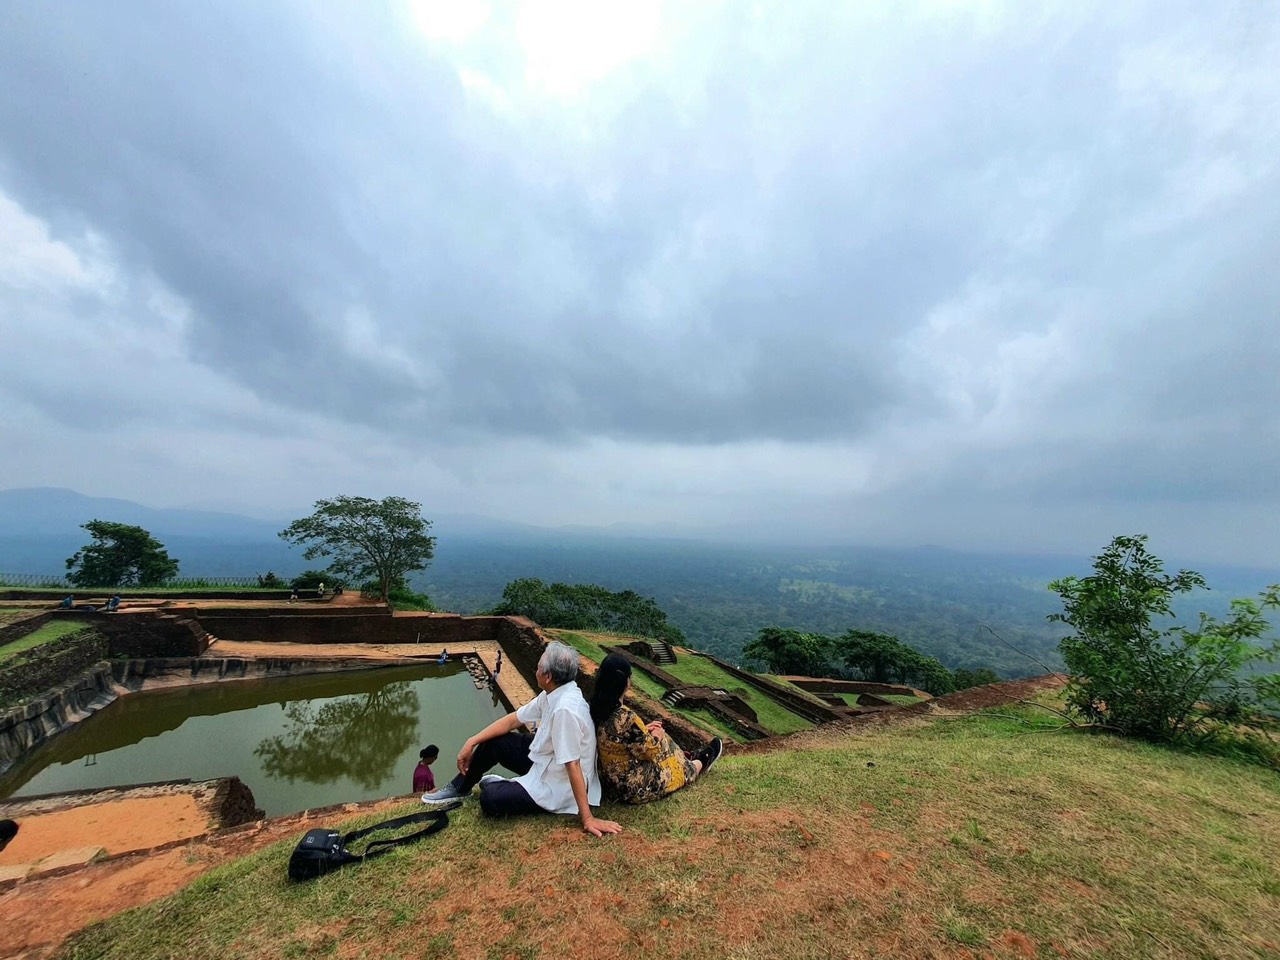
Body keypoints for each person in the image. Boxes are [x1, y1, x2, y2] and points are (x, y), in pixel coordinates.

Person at [421, 641, 621, 837]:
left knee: (490, 800)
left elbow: (573, 764)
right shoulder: (554, 692)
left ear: (548, 676)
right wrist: (471, 741)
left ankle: (501, 784)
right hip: (546, 762)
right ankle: (460, 787)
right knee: (494, 741)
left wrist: (587, 818)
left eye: (538, 667)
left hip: (559, 784)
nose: (536, 670)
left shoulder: (565, 709)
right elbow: (513, 720)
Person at [589, 653, 723, 805]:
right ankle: (697, 764)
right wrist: (657, 735)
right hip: (630, 787)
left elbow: (620, 739)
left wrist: (644, 730)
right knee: (663, 742)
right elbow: (650, 751)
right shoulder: (626, 717)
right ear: (626, 682)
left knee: (660, 739)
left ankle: (684, 758)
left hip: (608, 782)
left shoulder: (597, 708)